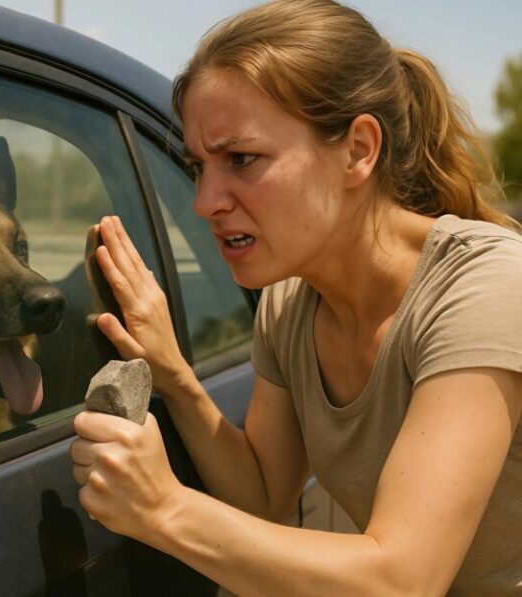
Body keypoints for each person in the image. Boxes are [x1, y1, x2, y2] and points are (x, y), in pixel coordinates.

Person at [69, 0, 522, 594]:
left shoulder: (485, 286)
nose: (205, 201)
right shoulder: (289, 302)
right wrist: (175, 377)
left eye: (242, 159)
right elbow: (263, 494)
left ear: (358, 150)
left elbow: (402, 581)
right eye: (198, 166)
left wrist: (165, 510)